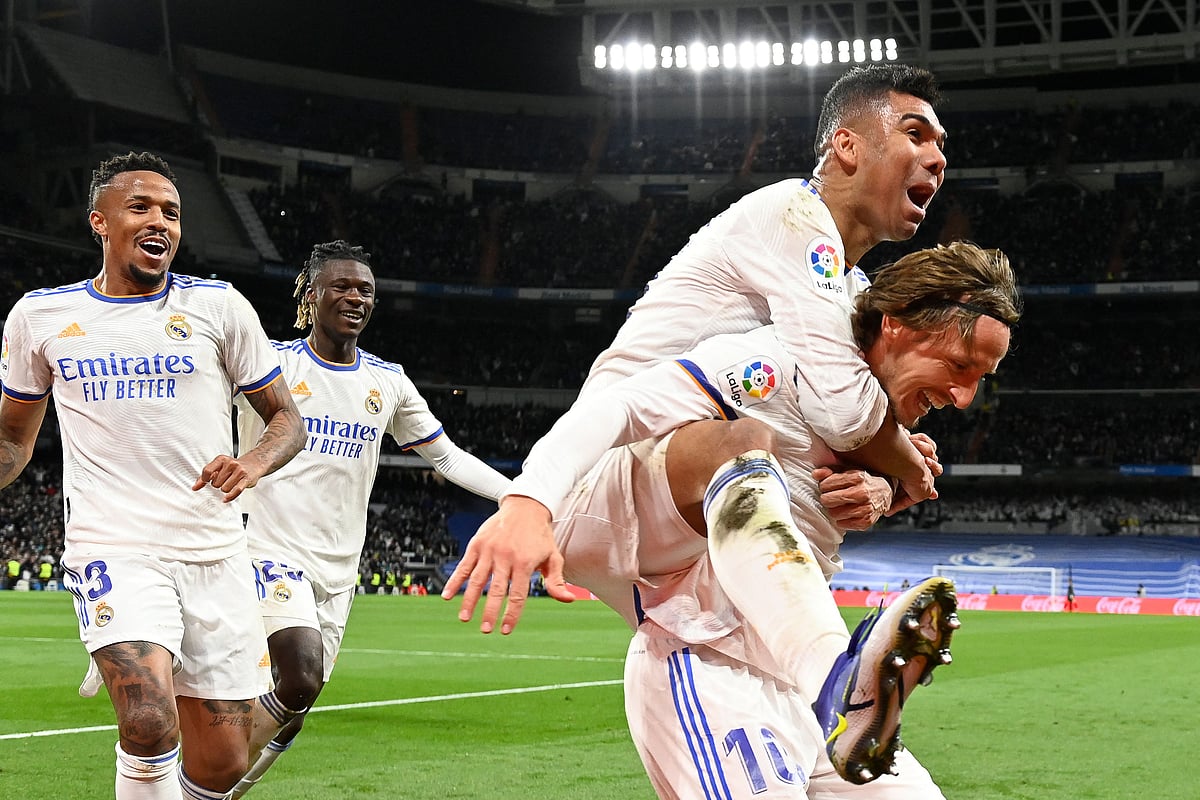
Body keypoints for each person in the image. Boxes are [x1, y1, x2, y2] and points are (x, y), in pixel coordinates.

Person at [477, 242, 1021, 794]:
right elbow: (620, 406)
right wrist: (530, 500)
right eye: (959, 366)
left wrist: (884, 489)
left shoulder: (876, 420)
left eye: (982, 377)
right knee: (741, 442)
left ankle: (836, 681)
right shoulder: (775, 364)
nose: (965, 398)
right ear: (896, 325)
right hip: (709, 659)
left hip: (802, 690)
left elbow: (845, 479)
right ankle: (835, 677)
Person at [444, 62, 950, 635]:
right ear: (847, 146)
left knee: (752, 682)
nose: (937, 159)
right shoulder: (790, 215)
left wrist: (882, 484)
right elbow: (849, 415)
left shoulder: (849, 291)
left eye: (942, 145)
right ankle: (830, 653)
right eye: (916, 134)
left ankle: (820, 665)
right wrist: (909, 469)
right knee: (745, 443)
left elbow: (849, 430)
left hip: (690, 512)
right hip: (607, 473)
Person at [0, 151, 306, 799]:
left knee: (222, 761)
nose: (159, 221)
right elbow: (11, 438)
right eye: (139, 207)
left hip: (215, 554)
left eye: (171, 211)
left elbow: (286, 419)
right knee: (146, 720)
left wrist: (251, 462)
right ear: (99, 221)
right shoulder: (40, 316)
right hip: (114, 548)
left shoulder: (219, 307)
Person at [228, 240, 512, 798]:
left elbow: (447, 458)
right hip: (266, 552)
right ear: (311, 295)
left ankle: (216, 791)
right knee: (300, 677)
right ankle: (193, 786)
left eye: (365, 290)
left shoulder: (388, 382)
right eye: (341, 286)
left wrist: (517, 496)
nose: (355, 297)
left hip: (338, 572)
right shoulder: (269, 364)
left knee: (293, 711)